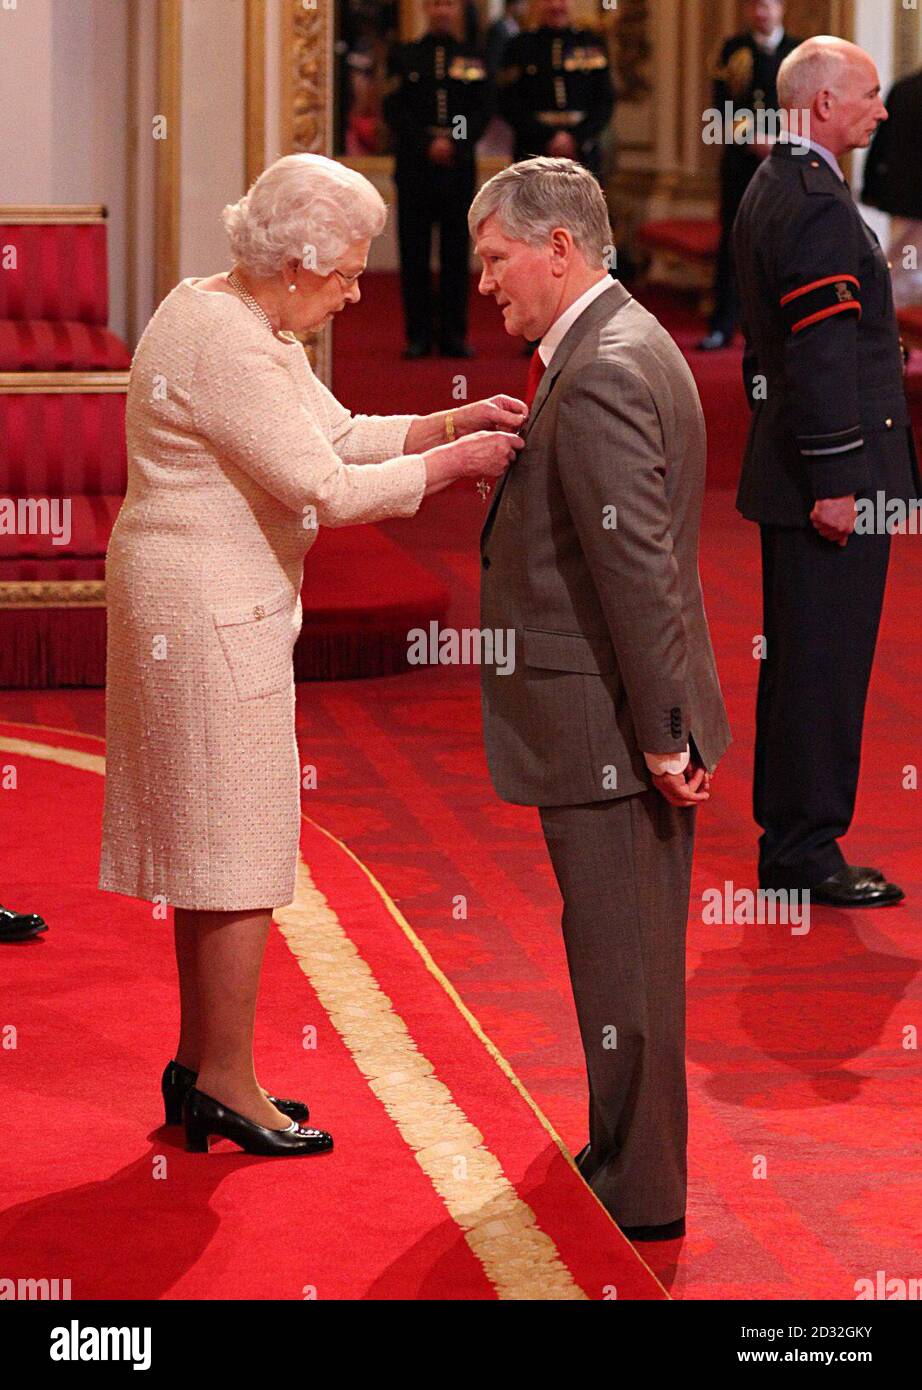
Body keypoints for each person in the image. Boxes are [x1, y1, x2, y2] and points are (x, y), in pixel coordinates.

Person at [98, 153, 525, 1157]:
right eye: (344, 273)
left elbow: (334, 432)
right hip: (204, 611)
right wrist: (454, 464)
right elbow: (323, 489)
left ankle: (201, 1065)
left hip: (205, 599)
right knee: (238, 847)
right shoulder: (228, 343)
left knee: (215, 841)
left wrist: (446, 420)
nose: (352, 292)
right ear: (295, 259)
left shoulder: (238, 313)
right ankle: (228, 1079)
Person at [471, 157, 731, 1240]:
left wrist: (665, 733)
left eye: (495, 260)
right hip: (608, 715)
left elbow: (640, 576)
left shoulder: (607, 364)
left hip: (610, 725)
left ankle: (642, 1187)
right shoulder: (606, 340)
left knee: (622, 955)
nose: (486, 283)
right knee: (614, 946)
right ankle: (621, 1152)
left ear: (558, 250)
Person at [733, 38, 921, 907]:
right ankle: (807, 850)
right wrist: (840, 479)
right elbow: (818, 353)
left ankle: (791, 837)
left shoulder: (775, 180)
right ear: (822, 106)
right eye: (870, 96)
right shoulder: (814, 204)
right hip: (830, 480)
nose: (882, 112)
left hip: (796, 463)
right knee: (824, 665)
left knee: (801, 659)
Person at [383, 0, 490, 359]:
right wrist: (428, 143)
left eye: (449, 5)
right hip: (416, 165)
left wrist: (455, 141)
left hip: (457, 168)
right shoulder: (405, 55)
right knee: (413, 252)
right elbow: (394, 108)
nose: (443, 11)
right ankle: (417, 334)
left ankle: (453, 334)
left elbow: (482, 107)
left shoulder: (472, 55)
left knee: (455, 252)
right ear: (427, 9)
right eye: (437, 4)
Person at [699, 0, 800, 351]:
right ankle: (722, 323)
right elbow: (720, 105)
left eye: (767, 4)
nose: (761, 12)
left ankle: (785, 324)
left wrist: (778, 141)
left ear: (781, 7)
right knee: (733, 237)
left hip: (786, 163)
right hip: (741, 162)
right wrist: (751, 136)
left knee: (786, 241)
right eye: (754, 5)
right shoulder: (732, 50)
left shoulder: (798, 51)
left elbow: (807, 106)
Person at [497, 0, 614, 178]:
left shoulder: (591, 43)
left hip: (582, 150)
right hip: (532, 150)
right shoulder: (519, 46)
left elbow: (604, 100)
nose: (555, 6)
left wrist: (575, 137)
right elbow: (508, 101)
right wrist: (547, 136)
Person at [862, 64, 922, 308]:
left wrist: (871, 189)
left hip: (903, 201)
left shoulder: (903, 88)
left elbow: (880, 142)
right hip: (908, 201)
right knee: (906, 269)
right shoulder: (904, 89)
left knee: (903, 267)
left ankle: (893, 330)